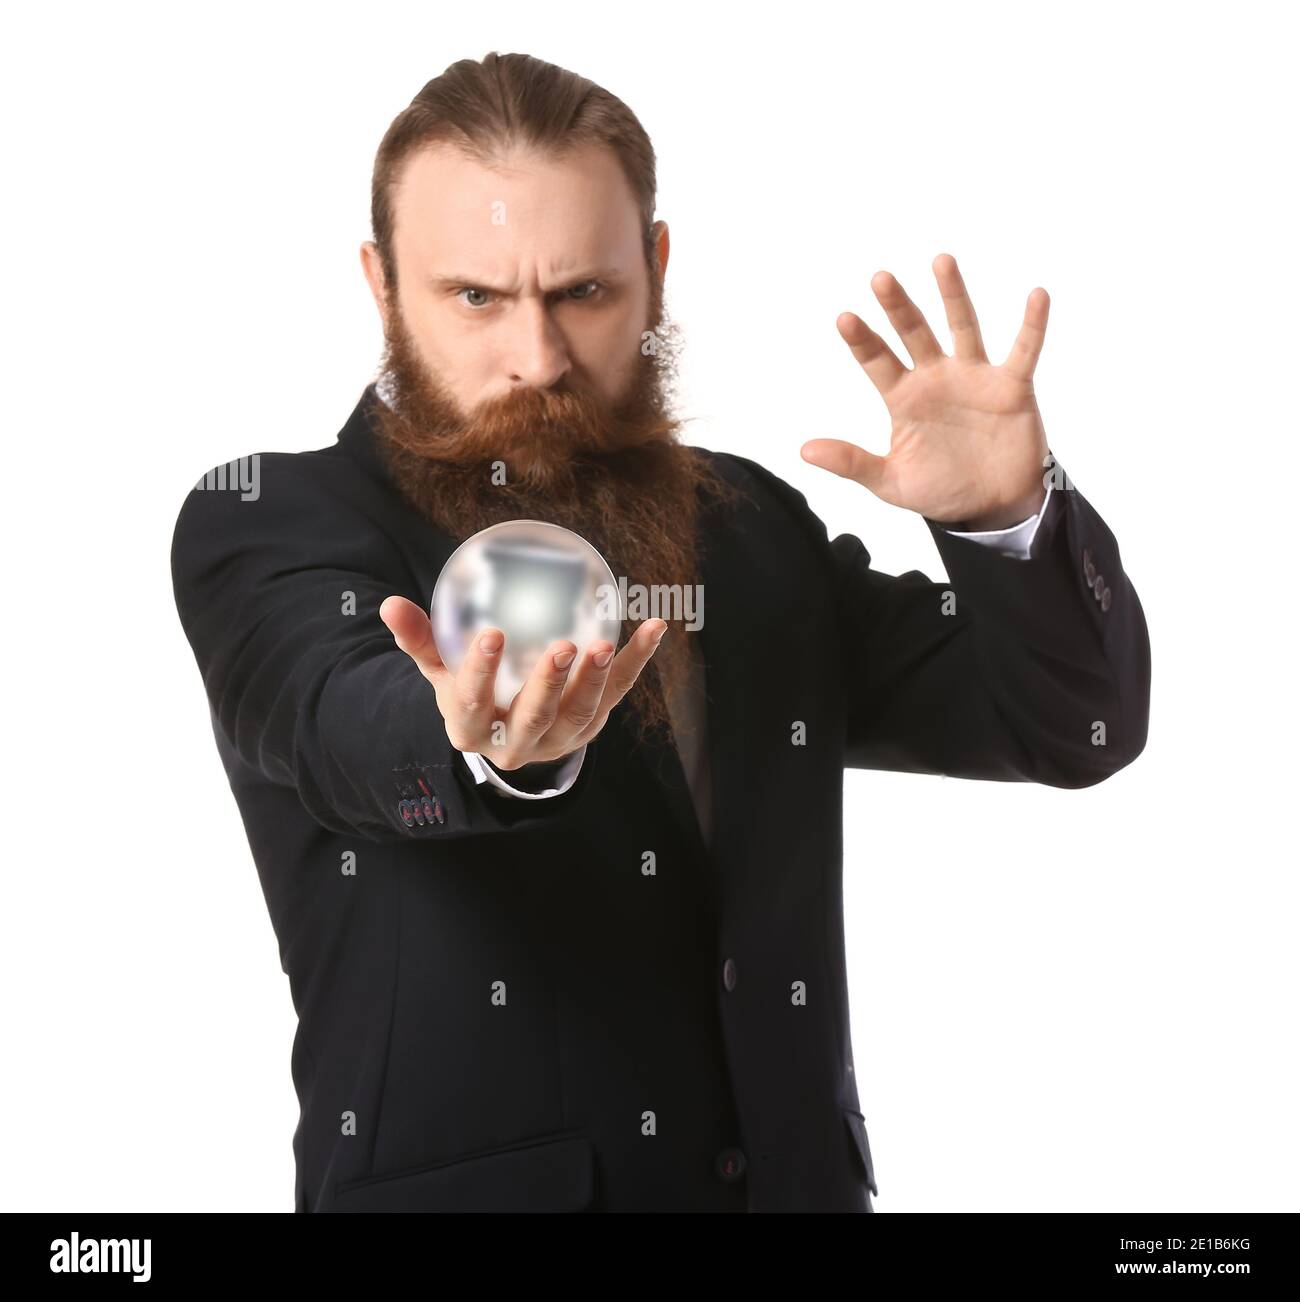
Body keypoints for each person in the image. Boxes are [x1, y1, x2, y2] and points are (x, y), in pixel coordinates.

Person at [170, 51, 1150, 1212]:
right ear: (382, 287)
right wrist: (478, 739)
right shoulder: (270, 518)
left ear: (655, 269)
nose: (536, 358)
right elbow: (335, 717)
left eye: (582, 293)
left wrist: (1005, 519)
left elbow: (1068, 728)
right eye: (475, 297)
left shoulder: (747, 530)